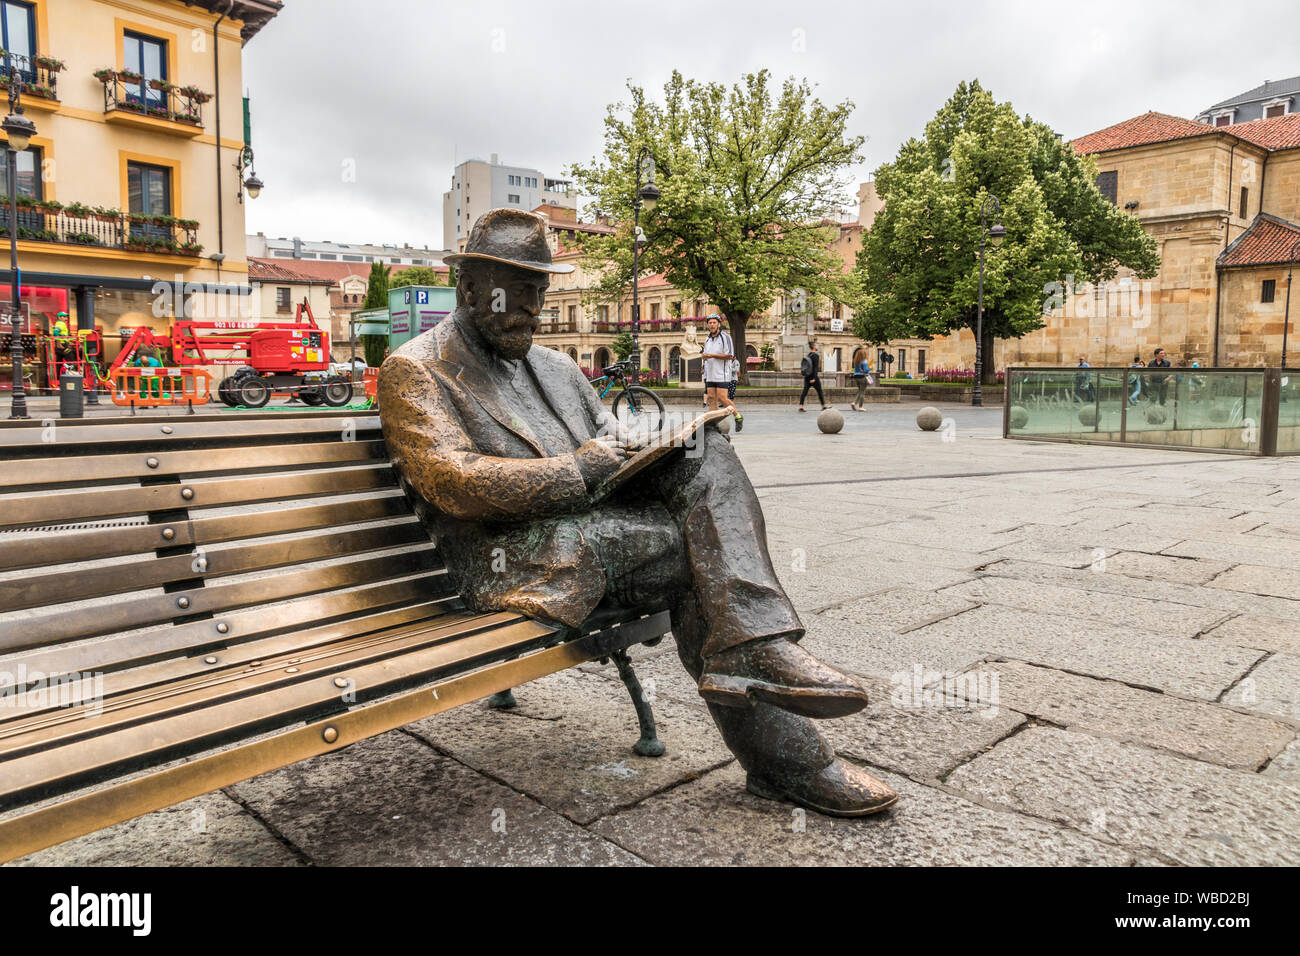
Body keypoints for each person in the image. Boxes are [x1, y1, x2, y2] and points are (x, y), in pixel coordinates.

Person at [380, 209, 895, 817]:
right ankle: (787, 742)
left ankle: (756, 652)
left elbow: (609, 434)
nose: (532, 310)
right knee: (699, 559)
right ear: (468, 287)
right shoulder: (415, 370)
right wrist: (578, 471)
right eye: (517, 294)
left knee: (707, 454)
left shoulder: (556, 366)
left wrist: (653, 441)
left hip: (594, 529)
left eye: (540, 294)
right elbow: (454, 482)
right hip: (510, 556)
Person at [701, 314, 742, 431]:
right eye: (710, 323)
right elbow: (707, 355)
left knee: (722, 398)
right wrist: (704, 361)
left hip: (722, 373)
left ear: (719, 324)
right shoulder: (707, 339)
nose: (712, 325)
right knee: (711, 398)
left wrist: (711, 355)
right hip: (710, 374)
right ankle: (713, 425)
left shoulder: (725, 337)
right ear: (708, 325)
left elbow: (730, 355)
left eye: (714, 322)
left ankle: (738, 417)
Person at [798, 340, 827, 412]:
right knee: (819, 391)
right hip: (813, 377)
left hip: (807, 376)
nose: (817, 346)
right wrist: (813, 378)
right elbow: (815, 368)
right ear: (814, 347)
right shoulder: (816, 356)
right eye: (816, 345)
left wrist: (809, 377)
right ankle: (823, 406)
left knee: (804, 392)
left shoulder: (808, 355)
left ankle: (801, 406)